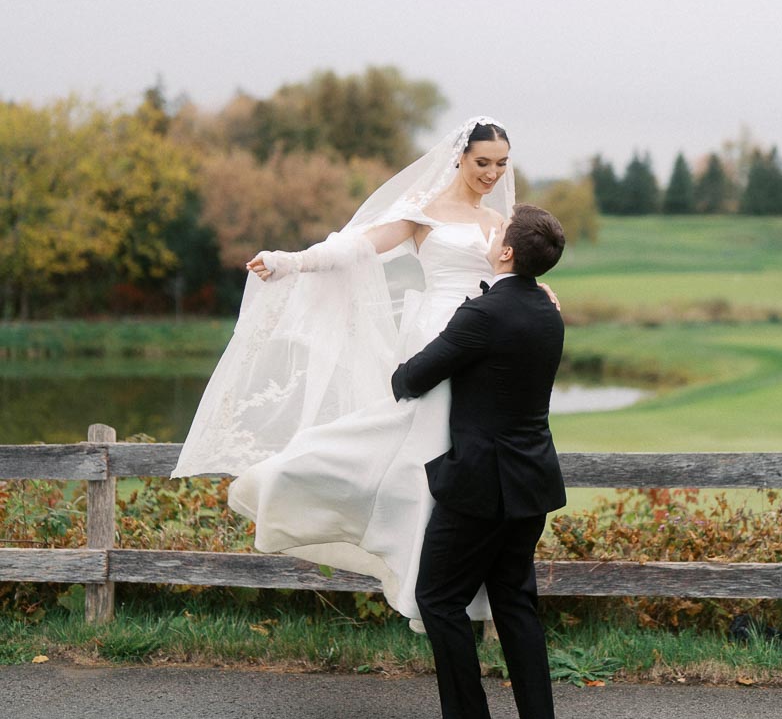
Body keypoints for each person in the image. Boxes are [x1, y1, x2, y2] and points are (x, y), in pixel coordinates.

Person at [173, 117, 531, 627]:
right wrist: (292, 261)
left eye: (500, 164)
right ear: (459, 157)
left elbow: (515, 276)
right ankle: (294, 486)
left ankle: (452, 587)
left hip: (486, 348)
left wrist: (539, 293)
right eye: (482, 163)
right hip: (435, 338)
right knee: (422, 452)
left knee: (464, 460)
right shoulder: (422, 212)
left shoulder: (499, 225)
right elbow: (357, 246)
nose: (492, 174)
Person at [392, 204, 567, 719]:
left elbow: (411, 379)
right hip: (531, 478)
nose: (491, 235)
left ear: (508, 252)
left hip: (479, 484)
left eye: (499, 234)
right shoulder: (547, 309)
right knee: (515, 597)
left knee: (438, 597)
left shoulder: (483, 314)